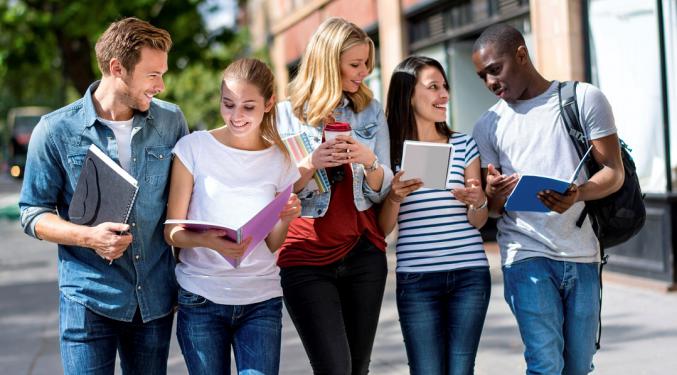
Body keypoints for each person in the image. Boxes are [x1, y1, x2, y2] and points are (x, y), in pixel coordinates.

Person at [18, 17, 188, 374]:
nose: (162, 85)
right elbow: (32, 212)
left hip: (154, 301)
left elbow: (184, 204)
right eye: (152, 75)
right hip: (87, 298)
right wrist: (89, 237)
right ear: (117, 68)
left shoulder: (172, 122)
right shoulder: (55, 130)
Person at [471, 24, 624, 374]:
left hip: (583, 252)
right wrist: (493, 194)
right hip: (525, 254)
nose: (491, 82)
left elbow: (614, 172)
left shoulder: (583, 98)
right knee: (545, 363)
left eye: (495, 69)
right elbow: (494, 211)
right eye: (482, 76)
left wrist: (578, 194)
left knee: (579, 366)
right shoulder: (488, 125)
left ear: (521, 54)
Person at [163, 58, 301, 374]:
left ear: (268, 104)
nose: (236, 116)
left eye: (248, 107)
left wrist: (286, 218)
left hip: (261, 300)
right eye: (229, 104)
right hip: (201, 299)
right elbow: (171, 230)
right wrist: (209, 241)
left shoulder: (279, 159)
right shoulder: (193, 148)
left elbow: (273, 242)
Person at [275, 17, 393, 375]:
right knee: (334, 368)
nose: (364, 73)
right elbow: (276, 192)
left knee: (358, 368)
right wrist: (311, 163)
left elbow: (383, 187)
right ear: (328, 62)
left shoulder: (370, 111)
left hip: (363, 251)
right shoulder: (285, 115)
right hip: (306, 253)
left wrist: (369, 160)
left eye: (367, 64)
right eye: (355, 65)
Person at [379, 56, 491, 375]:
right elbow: (383, 229)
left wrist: (478, 200)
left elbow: (478, 222)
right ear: (408, 94)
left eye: (445, 86)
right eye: (433, 87)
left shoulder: (464, 143)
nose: (444, 95)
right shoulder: (390, 151)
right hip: (417, 278)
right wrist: (395, 197)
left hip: (469, 273)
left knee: (460, 370)